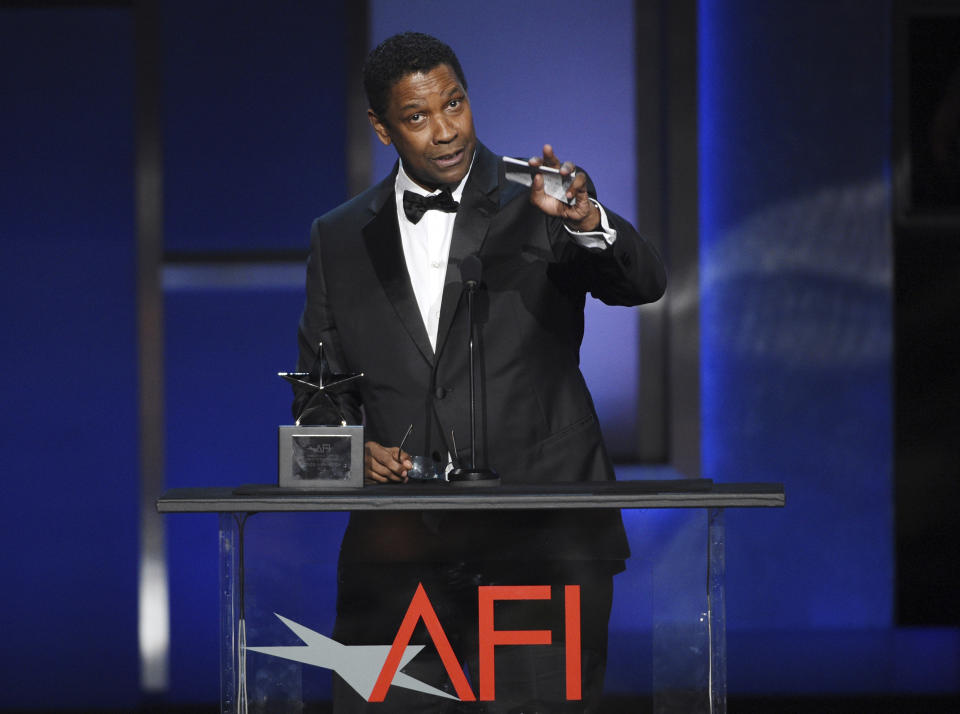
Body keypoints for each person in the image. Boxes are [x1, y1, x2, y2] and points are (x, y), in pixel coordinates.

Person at [293, 32, 665, 713]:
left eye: (455, 104)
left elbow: (643, 283)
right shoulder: (338, 239)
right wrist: (349, 457)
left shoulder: (544, 198)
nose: (445, 131)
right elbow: (319, 402)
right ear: (381, 128)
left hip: (542, 552)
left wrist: (588, 219)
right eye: (417, 116)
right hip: (399, 561)